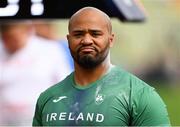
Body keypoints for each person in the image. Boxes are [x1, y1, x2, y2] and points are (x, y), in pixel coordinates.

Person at [32, 7, 171, 126]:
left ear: (111, 40)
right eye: (78, 34)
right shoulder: (48, 98)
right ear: (68, 40)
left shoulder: (140, 96)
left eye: (95, 34)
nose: (86, 40)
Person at [0, 21, 72, 125]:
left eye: (14, 38)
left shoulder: (50, 49)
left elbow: (66, 85)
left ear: (28, 31)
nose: (9, 42)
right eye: (5, 38)